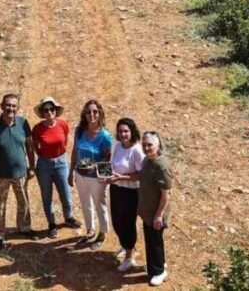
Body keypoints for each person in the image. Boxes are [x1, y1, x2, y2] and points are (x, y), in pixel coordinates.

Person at [0, 93, 37, 250]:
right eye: (7, 105)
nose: (10, 108)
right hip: (0, 174)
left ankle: (24, 228)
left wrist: (32, 167)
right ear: (2, 106)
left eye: (13, 105)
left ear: (17, 108)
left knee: (24, 202)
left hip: (21, 172)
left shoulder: (22, 123)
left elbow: (30, 146)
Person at [32, 96, 82, 238]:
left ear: (55, 110)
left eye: (51, 109)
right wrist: (42, 155)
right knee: (47, 196)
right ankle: (52, 224)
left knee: (65, 193)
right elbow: (35, 145)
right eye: (46, 110)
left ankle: (69, 217)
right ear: (42, 113)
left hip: (61, 162)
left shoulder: (62, 124)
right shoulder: (37, 128)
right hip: (44, 164)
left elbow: (64, 142)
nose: (49, 112)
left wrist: (58, 154)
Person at [69, 99, 113, 250]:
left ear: (99, 113)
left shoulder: (105, 136)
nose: (92, 114)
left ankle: (102, 234)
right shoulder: (80, 131)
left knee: (100, 205)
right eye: (88, 112)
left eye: (95, 111)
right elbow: (75, 151)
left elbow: (109, 157)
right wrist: (71, 172)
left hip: (97, 177)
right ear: (84, 114)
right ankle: (90, 230)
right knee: (85, 203)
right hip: (80, 174)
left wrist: (105, 178)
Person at [103, 118, 145, 272]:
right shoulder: (118, 146)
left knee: (128, 223)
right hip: (116, 189)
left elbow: (142, 175)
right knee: (117, 221)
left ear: (132, 131)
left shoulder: (137, 150)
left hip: (131, 192)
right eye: (120, 131)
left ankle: (129, 257)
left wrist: (122, 178)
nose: (123, 134)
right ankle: (124, 244)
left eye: (126, 131)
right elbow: (114, 165)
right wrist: (108, 177)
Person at [138, 131, 173, 287]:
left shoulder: (161, 166)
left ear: (158, 145)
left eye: (150, 145)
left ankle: (158, 271)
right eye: (144, 144)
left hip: (156, 213)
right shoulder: (147, 160)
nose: (146, 147)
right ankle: (160, 263)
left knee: (154, 242)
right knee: (153, 240)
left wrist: (159, 216)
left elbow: (166, 194)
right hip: (148, 210)